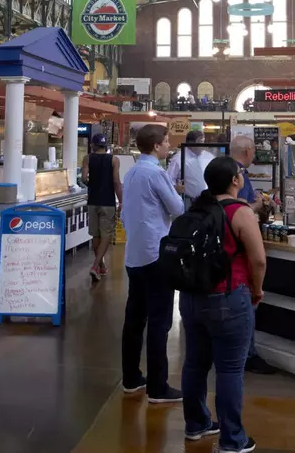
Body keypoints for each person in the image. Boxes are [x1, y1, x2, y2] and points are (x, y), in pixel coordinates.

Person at [180, 156, 265, 453]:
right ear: (235, 180)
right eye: (240, 173)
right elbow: (258, 259)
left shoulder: (196, 208)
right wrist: (257, 290)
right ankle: (232, 439)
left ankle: (196, 424)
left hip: (191, 299)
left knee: (194, 363)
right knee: (229, 369)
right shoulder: (239, 212)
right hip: (228, 298)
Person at [119, 124, 183, 403]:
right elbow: (177, 209)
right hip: (156, 254)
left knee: (135, 318)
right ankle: (158, 386)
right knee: (160, 321)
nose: (169, 146)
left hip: (134, 254)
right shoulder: (156, 173)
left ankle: (131, 378)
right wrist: (177, 191)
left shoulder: (132, 172)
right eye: (167, 142)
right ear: (156, 146)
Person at [227, 134, 276, 375]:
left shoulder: (225, 172)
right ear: (248, 152)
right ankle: (247, 355)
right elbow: (241, 210)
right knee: (247, 306)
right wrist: (258, 205)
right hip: (240, 252)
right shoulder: (240, 176)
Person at [82, 134, 120, 283]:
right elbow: (116, 182)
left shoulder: (87, 158)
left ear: (93, 145)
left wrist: (93, 184)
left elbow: (84, 178)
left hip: (93, 201)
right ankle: (95, 265)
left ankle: (101, 266)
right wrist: (121, 201)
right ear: (106, 146)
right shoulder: (114, 160)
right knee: (107, 235)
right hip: (108, 202)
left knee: (96, 236)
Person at [167, 129, 212, 204]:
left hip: (209, 200)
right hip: (188, 201)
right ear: (191, 143)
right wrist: (176, 189)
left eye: (203, 142)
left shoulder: (208, 156)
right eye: (200, 142)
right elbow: (169, 179)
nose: (202, 145)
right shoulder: (178, 158)